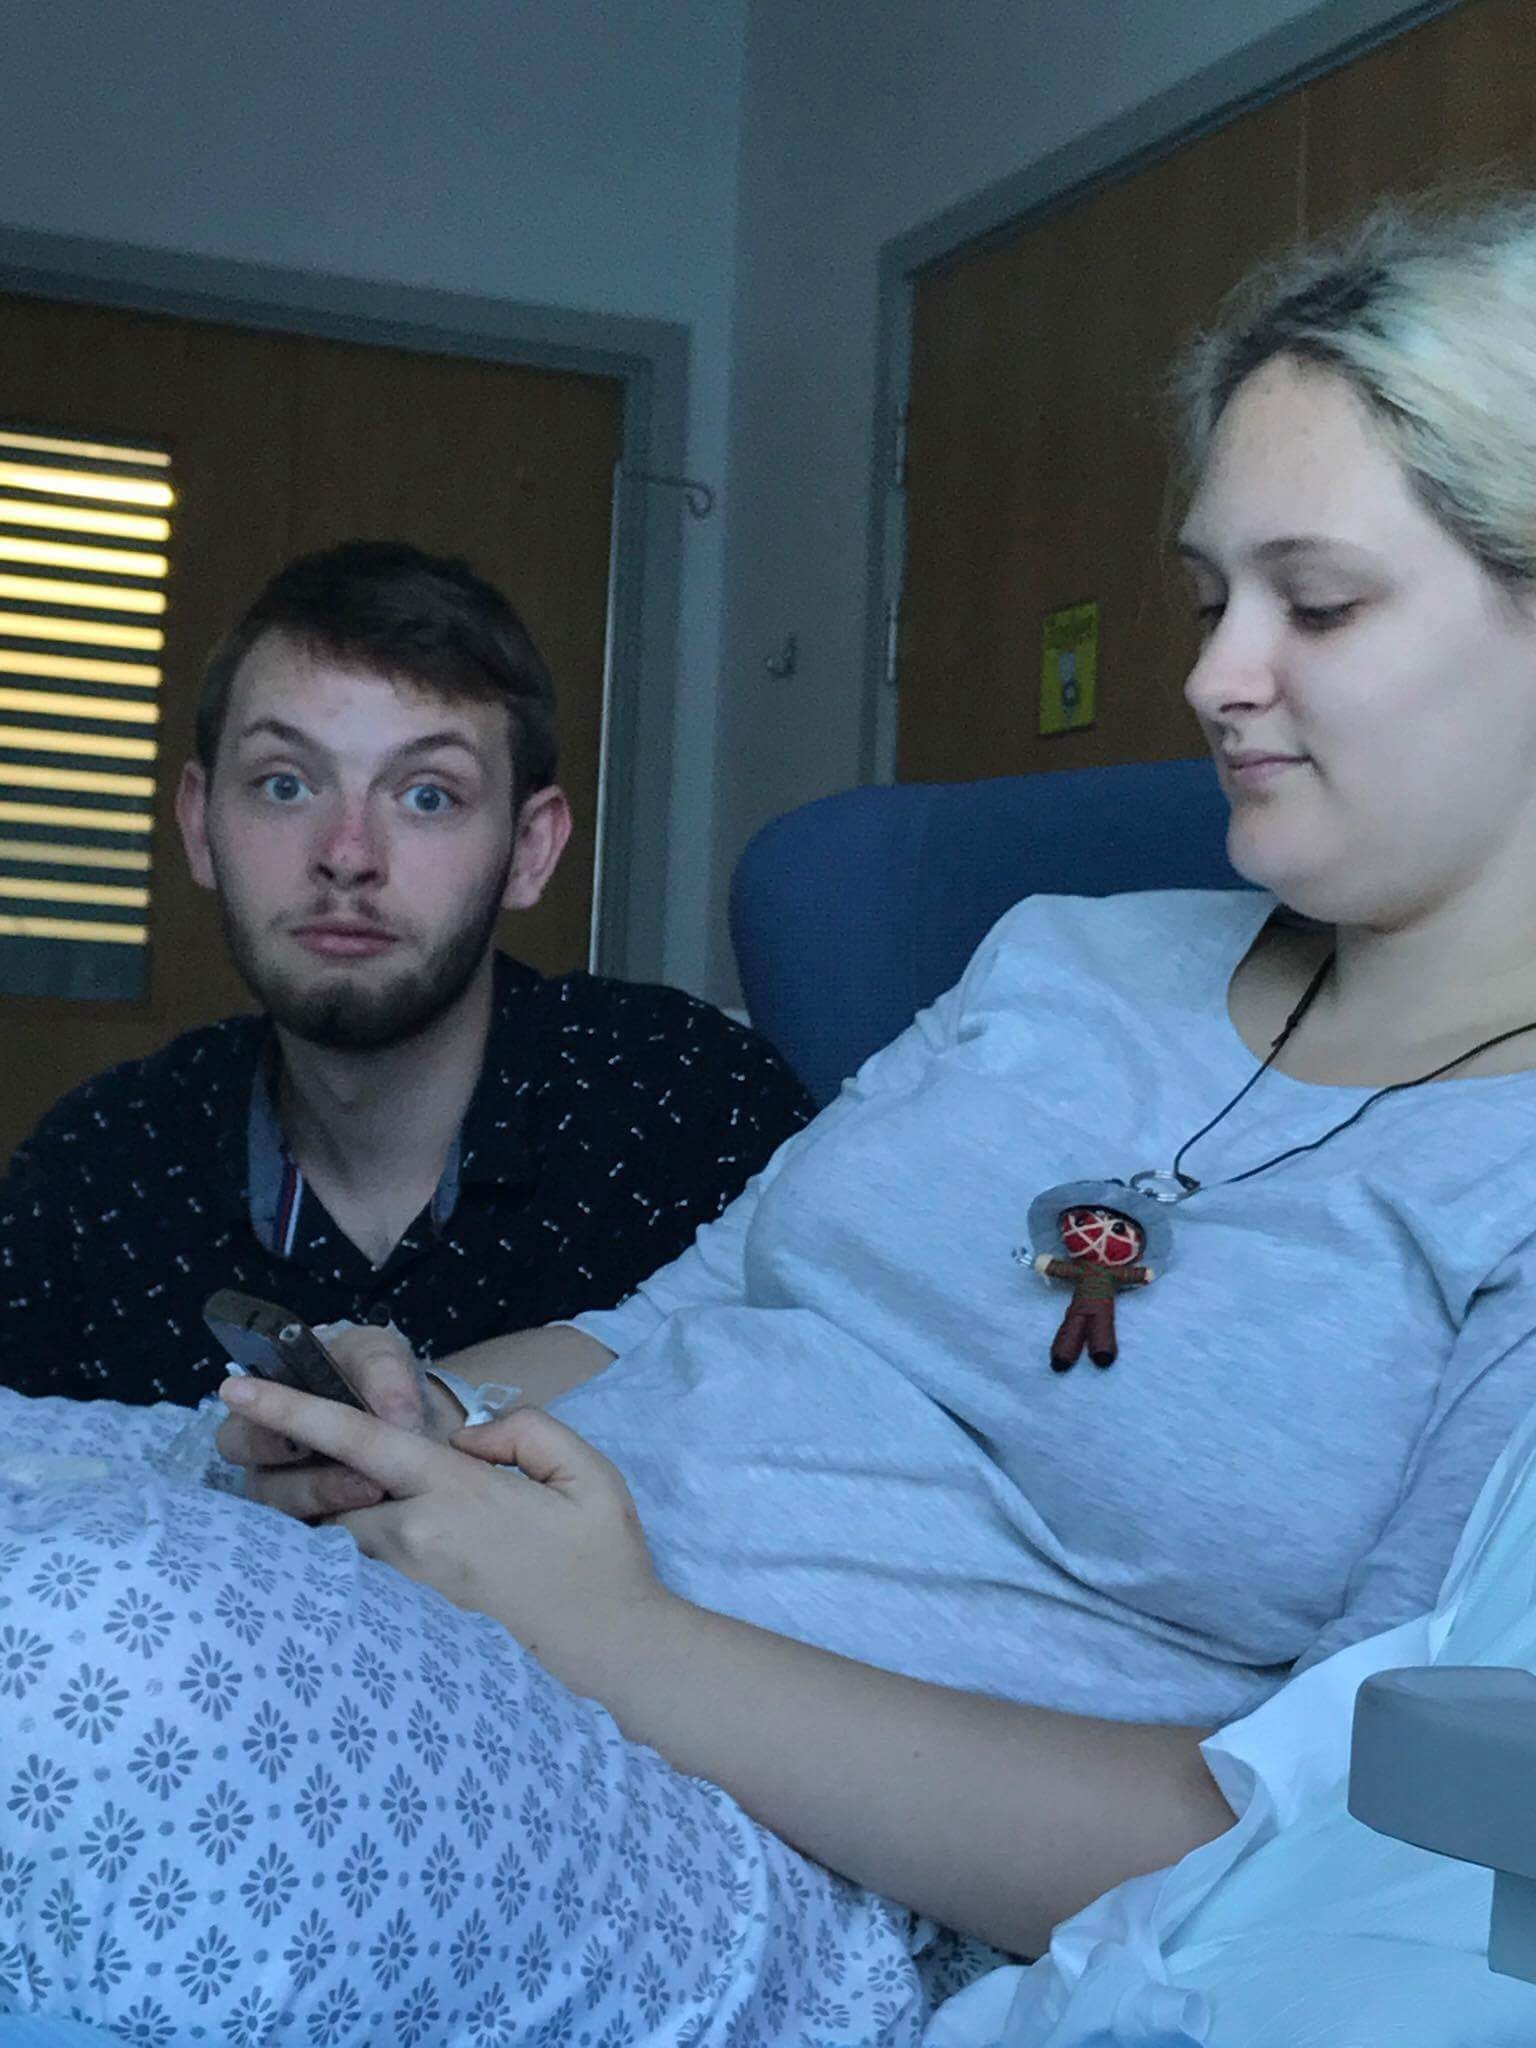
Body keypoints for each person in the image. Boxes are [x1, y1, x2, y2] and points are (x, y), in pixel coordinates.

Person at [7, 191, 1536, 2044]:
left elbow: (1308, 1857)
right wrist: (416, 1424)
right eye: (1213, 592)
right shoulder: (1066, 957)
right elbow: (683, 1317)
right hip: (494, 1578)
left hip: (770, 1838)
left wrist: (604, 1626)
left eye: (1322, 598)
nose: (1215, 671)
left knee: (65, 1653)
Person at [0, 541, 813, 1408]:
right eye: (284, 785)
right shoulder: (95, 1176)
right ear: (200, 828)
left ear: (529, 851)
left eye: (428, 795)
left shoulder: (696, 1109)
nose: (347, 856)